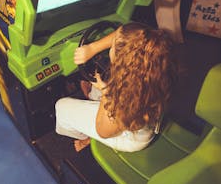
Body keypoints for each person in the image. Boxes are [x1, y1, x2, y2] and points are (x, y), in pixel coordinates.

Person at [55, 22, 177, 152]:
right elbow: (122, 33)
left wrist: (106, 92)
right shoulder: (153, 65)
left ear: (123, 62)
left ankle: (87, 137)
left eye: (113, 47)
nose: (110, 49)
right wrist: (92, 48)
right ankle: (91, 97)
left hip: (129, 137)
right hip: (141, 123)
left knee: (61, 107)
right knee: (99, 86)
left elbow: (102, 131)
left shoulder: (127, 102)